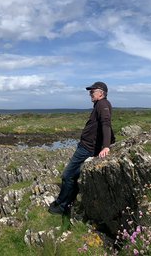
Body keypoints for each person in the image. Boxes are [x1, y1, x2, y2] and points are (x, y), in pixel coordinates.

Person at [48, 81, 113, 215]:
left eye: (92, 91)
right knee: (75, 176)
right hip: (86, 147)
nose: (90, 94)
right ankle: (64, 201)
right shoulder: (99, 105)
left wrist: (106, 146)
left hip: (86, 149)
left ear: (101, 93)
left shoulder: (102, 104)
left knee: (67, 176)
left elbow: (106, 124)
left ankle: (62, 206)